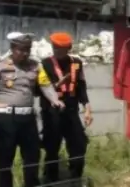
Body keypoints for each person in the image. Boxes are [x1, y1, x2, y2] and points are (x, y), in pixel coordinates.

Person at [0, 32, 64, 187]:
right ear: (12, 48)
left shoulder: (35, 66)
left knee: (32, 158)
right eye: (21, 49)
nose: (24, 53)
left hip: (28, 120)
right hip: (6, 119)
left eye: (27, 49)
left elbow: (45, 85)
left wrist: (55, 100)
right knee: (4, 159)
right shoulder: (0, 66)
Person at [37, 32, 93, 184]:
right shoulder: (45, 64)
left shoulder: (76, 63)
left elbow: (81, 88)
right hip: (52, 113)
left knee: (79, 145)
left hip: (71, 112)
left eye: (61, 48)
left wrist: (87, 108)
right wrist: (59, 83)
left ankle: (75, 179)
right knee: (51, 148)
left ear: (68, 48)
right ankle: (51, 180)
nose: (57, 50)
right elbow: (38, 91)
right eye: (54, 47)